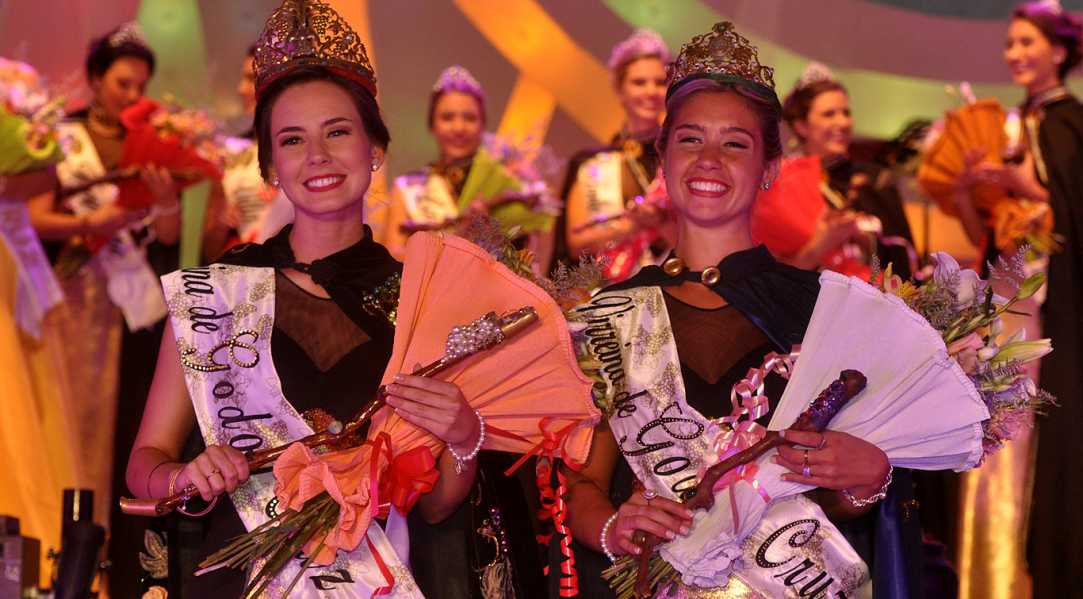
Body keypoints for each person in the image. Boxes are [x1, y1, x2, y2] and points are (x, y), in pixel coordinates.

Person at [553, 22, 920, 598]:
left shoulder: (822, 309)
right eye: (690, 139)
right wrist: (610, 526)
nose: (709, 160)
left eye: (735, 144)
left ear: (770, 167)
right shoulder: (607, 315)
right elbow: (580, 485)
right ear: (662, 157)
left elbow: (840, 503)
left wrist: (870, 477)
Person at [125, 1, 481, 595]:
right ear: (270, 167)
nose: (317, 156)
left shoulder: (422, 301)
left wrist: (465, 440)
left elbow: (438, 505)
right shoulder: (216, 293)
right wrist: (185, 476)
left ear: (375, 149)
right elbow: (145, 463)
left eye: (337, 132)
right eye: (292, 140)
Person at [23, 23, 182, 598]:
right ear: (94, 79)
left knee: (124, 426)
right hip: (70, 306)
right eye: (122, 83)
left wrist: (165, 201)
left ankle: (109, 562)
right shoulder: (60, 138)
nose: (131, 95)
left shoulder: (151, 144)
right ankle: (56, 548)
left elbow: (168, 235)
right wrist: (94, 223)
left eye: (140, 86)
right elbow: (32, 216)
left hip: (130, 314)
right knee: (65, 423)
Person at [967, 4, 1083, 598]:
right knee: (1000, 430)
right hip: (1009, 305)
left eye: (1026, 42)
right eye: (1009, 43)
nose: (1014, 54)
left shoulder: (1068, 123)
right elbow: (990, 236)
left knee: (1050, 433)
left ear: (1058, 52)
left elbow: (1069, 213)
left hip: (1055, 309)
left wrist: (1020, 185)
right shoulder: (1015, 123)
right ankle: (993, 571)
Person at [383, 66, 557, 270]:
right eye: (447, 117)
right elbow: (392, 257)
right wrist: (461, 235)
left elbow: (534, 259)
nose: (459, 128)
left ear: (483, 125)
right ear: (432, 125)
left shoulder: (508, 183)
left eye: (470, 118)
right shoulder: (408, 189)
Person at [752, 62, 916, 280]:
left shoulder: (874, 180)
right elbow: (771, 274)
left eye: (846, 113)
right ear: (801, 125)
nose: (843, 122)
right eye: (829, 114)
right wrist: (822, 243)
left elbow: (902, 261)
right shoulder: (779, 183)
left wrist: (866, 241)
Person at [560, 29, 674, 283]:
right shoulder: (591, 164)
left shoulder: (679, 160)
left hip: (669, 288)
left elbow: (696, 242)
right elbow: (576, 246)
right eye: (639, 82)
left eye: (660, 82)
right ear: (620, 89)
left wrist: (659, 222)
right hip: (606, 291)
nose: (651, 91)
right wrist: (630, 227)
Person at [202, 44, 294, 262]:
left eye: (251, 79)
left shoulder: (310, 150)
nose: (241, 89)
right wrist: (220, 226)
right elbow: (209, 252)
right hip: (244, 273)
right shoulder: (233, 150)